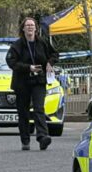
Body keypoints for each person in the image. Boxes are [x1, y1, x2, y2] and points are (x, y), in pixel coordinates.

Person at [6, 17, 58, 151]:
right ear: (23, 29)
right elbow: (12, 63)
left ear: (36, 28)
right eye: (27, 25)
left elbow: (55, 54)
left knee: (39, 108)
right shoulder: (17, 45)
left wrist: (49, 63)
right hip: (22, 82)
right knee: (23, 111)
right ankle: (25, 140)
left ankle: (42, 137)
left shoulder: (43, 43)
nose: (30, 27)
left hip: (38, 81)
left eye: (32, 25)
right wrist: (28, 68)